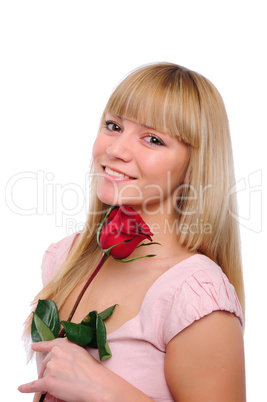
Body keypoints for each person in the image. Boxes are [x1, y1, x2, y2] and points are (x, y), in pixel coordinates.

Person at [19, 62, 246, 401]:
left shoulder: (195, 295)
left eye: (152, 139)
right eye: (113, 126)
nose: (115, 150)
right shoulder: (66, 259)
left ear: (194, 166)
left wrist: (104, 389)